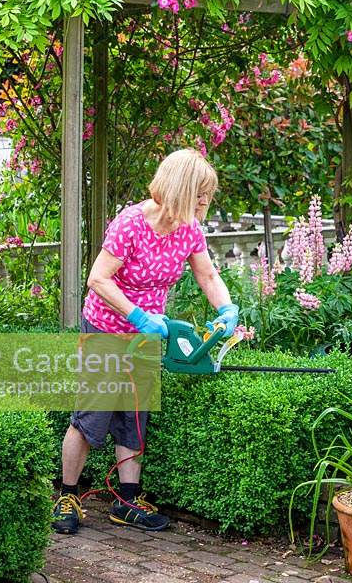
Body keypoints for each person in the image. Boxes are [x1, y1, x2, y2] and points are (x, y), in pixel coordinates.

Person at [52, 148, 239, 534]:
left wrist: (227, 308)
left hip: (146, 338)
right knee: (93, 414)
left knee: (135, 416)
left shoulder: (189, 228)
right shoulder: (131, 224)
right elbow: (98, 279)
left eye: (208, 194)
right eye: (201, 193)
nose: (206, 201)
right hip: (107, 327)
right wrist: (136, 315)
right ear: (181, 189)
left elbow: (207, 276)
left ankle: (127, 501)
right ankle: (67, 495)